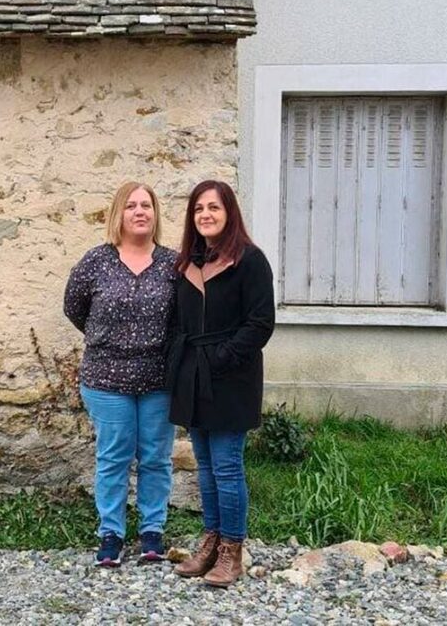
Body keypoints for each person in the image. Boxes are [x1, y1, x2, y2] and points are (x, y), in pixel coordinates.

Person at [63, 180, 178, 567]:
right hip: (106, 379)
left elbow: (184, 317)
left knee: (156, 458)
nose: (140, 211)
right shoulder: (96, 261)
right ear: (119, 214)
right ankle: (110, 533)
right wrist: (106, 340)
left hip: (160, 380)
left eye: (147, 205)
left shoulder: (173, 264)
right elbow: (74, 307)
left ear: (156, 214)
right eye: (131, 205)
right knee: (113, 457)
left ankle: (152, 531)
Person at [168, 179, 275, 588]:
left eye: (213, 207)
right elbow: (179, 321)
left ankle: (233, 549)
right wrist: (182, 363)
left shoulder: (249, 261)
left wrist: (223, 357)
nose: (205, 215)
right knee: (207, 467)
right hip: (192, 375)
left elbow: (261, 322)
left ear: (229, 212)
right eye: (198, 209)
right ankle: (211, 541)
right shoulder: (187, 264)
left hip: (232, 377)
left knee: (228, 466)